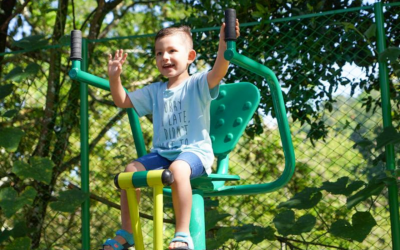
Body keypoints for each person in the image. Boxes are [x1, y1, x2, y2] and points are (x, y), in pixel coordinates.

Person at [102, 20, 240, 250]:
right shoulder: (155, 91)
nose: (164, 57)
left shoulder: (197, 83)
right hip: (163, 154)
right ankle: (128, 232)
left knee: (177, 169)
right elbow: (122, 100)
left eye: (172, 51)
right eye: (159, 53)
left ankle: (182, 234)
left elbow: (219, 70)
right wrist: (114, 78)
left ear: (190, 56)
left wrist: (224, 44)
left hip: (194, 153)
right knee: (129, 172)